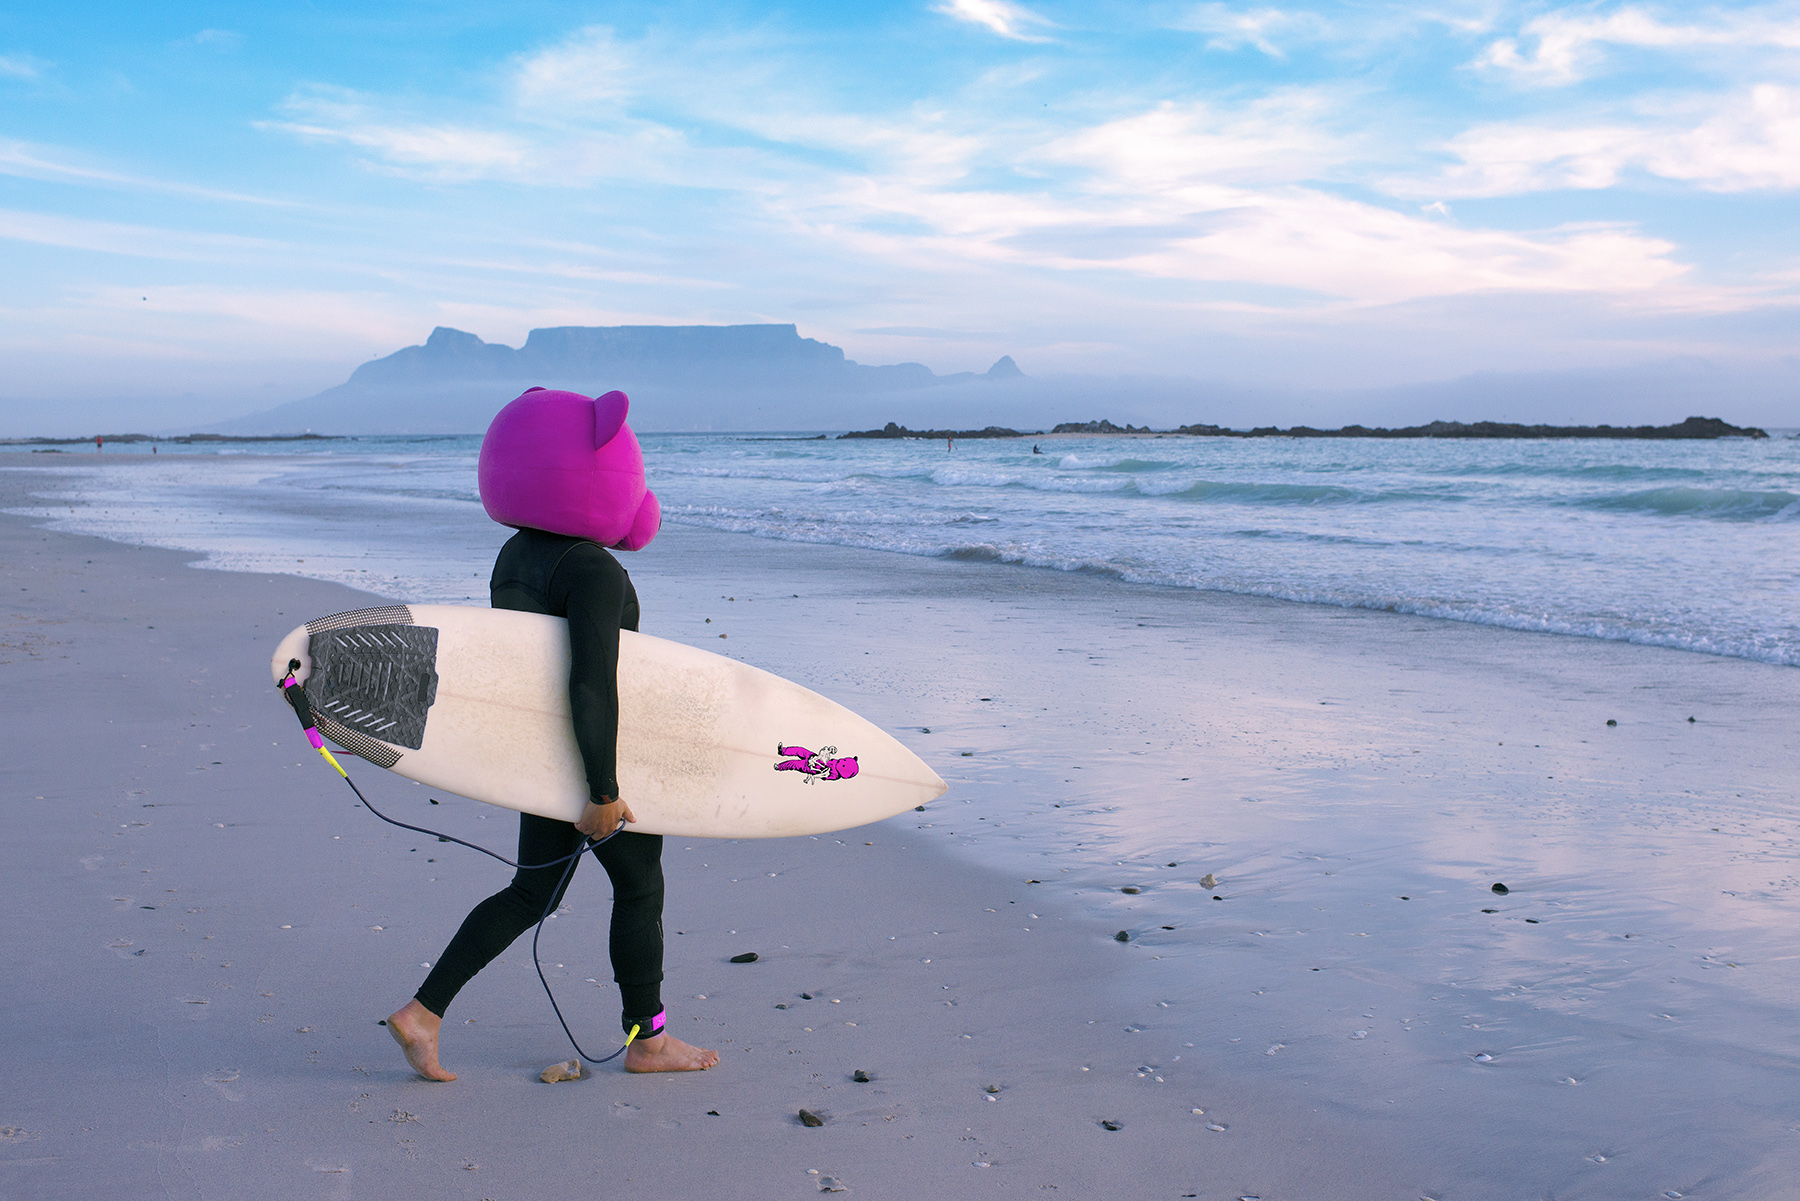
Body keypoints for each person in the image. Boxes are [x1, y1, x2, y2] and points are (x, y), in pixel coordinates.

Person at [386, 387, 717, 1080]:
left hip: (536, 755)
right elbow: (590, 680)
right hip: (586, 759)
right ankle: (648, 1040)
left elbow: (525, 668)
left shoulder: (514, 556)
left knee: (531, 892)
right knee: (639, 886)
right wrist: (602, 788)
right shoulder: (594, 569)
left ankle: (423, 1013)